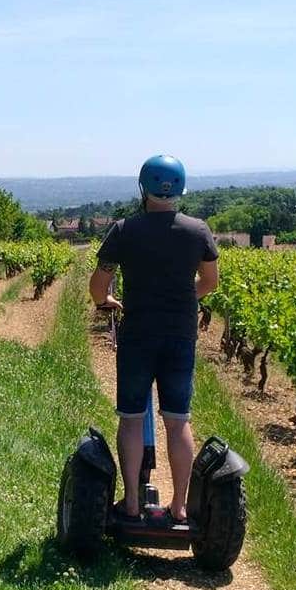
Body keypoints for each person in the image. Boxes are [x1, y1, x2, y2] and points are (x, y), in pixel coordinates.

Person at [88, 155, 219, 526]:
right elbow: (209, 283)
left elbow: (99, 285)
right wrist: (180, 297)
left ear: (142, 187)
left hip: (138, 335)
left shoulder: (123, 230)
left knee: (132, 419)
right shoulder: (198, 231)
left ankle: (131, 502)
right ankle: (179, 507)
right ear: (180, 190)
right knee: (178, 421)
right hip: (180, 334)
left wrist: (106, 301)